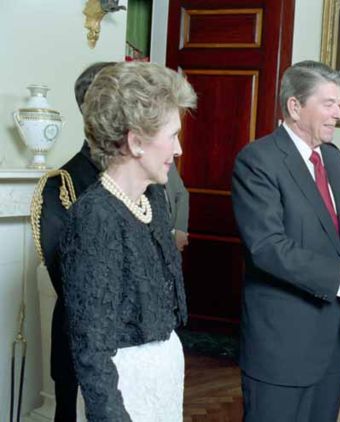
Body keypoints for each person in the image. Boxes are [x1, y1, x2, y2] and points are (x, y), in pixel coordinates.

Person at [231, 60, 340, 421]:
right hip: (281, 343)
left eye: (339, 103)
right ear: (295, 106)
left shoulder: (333, 158)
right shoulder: (258, 160)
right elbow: (268, 248)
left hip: (331, 341)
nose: (338, 114)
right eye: (328, 104)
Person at [58, 61, 197, 421]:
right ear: (135, 141)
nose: (179, 149)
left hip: (163, 377)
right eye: (172, 135)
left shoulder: (153, 201)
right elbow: (92, 348)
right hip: (122, 387)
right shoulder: (95, 217)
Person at [36, 61, 115, 421]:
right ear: (93, 108)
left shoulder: (147, 180)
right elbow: (71, 284)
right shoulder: (62, 184)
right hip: (83, 348)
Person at [166, 163, 189, 251]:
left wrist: (180, 228)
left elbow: (182, 194)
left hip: (171, 240)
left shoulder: (168, 160)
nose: (178, 152)